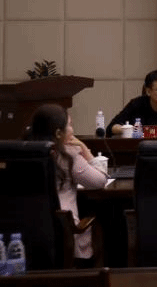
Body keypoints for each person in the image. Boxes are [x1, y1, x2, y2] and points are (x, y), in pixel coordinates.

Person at [24, 103, 108, 262]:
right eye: (69, 125)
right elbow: (99, 181)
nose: (72, 130)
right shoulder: (69, 156)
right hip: (63, 231)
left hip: (24, 232)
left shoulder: (22, 154)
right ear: (58, 133)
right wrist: (84, 149)